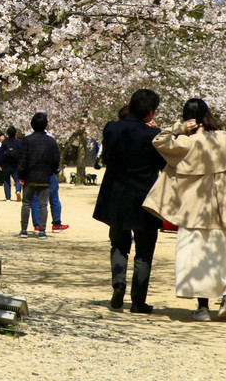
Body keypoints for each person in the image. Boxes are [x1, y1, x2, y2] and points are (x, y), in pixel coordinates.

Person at [143, 98, 226, 322]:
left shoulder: (186, 142)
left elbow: (159, 140)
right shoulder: (225, 138)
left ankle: (202, 307)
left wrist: (179, 128)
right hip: (225, 208)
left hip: (194, 208)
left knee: (196, 257)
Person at [92, 89, 168, 313]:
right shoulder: (153, 135)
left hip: (115, 195)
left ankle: (118, 283)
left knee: (118, 244)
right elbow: (161, 164)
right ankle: (138, 301)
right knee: (144, 251)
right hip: (144, 198)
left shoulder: (111, 128)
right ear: (151, 112)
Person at [17, 112, 61, 239]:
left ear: (32, 125)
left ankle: (24, 230)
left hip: (30, 176)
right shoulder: (51, 141)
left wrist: (21, 176)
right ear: (46, 125)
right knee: (43, 205)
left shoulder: (27, 140)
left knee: (26, 204)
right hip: (44, 176)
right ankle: (42, 231)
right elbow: (55, 160)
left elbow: (23, 160)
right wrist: (51, 171)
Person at [0, 126, 23, 202]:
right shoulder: (19, 143)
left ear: (7, 134)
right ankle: (18, 190)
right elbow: (21, 154)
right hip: (16, 164)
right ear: (15, 133)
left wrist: (0, 164)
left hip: (6, 163)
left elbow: (1, 154)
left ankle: (8, 197)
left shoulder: (5, 143)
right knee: (17, 179)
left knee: (6, 180)